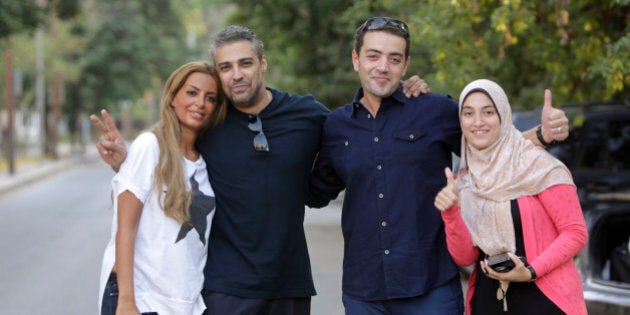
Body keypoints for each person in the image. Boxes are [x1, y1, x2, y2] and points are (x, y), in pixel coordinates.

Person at [93, 25, 427, 315]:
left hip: (290, 285)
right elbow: (170, 159)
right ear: (217, 72)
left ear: (262, 64)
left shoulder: (306, 114)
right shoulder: (211, 120)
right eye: (225, 67)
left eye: (245, 63)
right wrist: (127, 159)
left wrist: (401, 90)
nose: (236, 74)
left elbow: (361, 127)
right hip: (224, 290)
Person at [306, 17, 571, 314]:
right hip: (364, 291)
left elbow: (496, 148)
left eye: (394, 59)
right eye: (373, 56)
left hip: (430, 288)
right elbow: (316, 193)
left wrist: (543, 134)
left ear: (405, 66)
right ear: (356, 59)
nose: (383, 66)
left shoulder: (435, 110)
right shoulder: (337, 126)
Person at [434, 79, 587, 314]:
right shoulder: (465, 181)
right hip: (489, 302)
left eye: (488, 112)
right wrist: (451, 212)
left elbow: (575, 232)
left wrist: (531, 271)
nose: (478, 122)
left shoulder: (538, 165)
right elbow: (466, 257)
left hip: (545, 300)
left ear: (503, 116)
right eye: (468, 113)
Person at [95, 61, 227, 314]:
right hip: (142, 299)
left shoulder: (204, 162)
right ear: (172, 97)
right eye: (192, 92)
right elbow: (127, 228)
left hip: (185, 303)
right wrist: (126, 302)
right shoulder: (149, 146)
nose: (200, 103)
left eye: (210, 98)